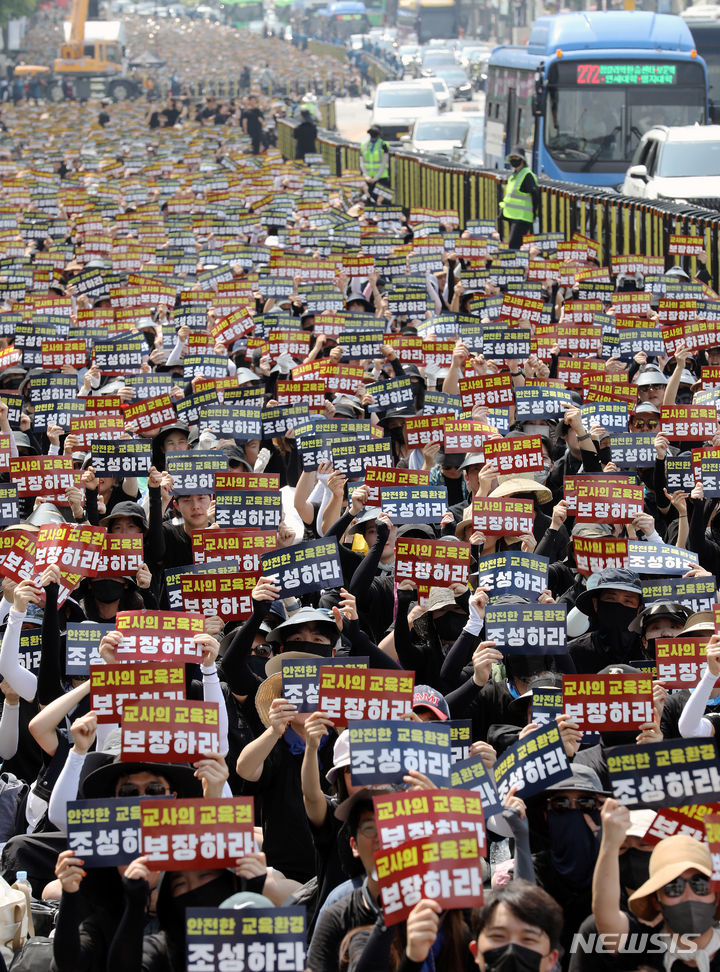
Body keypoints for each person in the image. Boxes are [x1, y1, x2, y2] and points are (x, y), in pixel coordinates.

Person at [498, 146, 540, 250]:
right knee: (513, 245)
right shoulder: (514, 175)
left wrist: (534, 214)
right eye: (512, 158)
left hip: (522, 218)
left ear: (522, 160)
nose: (513, 160)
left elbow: (535, 196)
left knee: (513, 246)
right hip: (511, 215)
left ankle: (516, 265)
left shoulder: (527, 175)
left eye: (516, 158)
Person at [360, 126, 390, 203]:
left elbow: (384, 163)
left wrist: (375, 178)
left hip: (381, 178)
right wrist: (367, 176)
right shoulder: (364, 145)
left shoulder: (384, 145)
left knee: (382, 202)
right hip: (369, 178)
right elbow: (362, 162)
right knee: (368, 201)